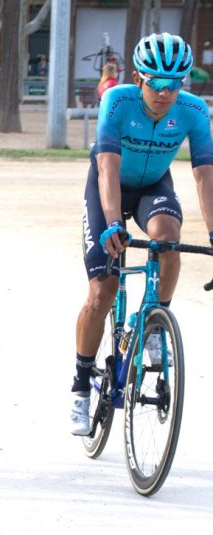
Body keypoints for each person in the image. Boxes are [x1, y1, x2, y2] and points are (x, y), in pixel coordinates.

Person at [70, 32, 213, 436]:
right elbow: (107, 168)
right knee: (103, 291)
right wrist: (113, 222)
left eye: (175, 84)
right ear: (139, 77)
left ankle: (154, 320)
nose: (166, 93)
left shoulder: (194, 110)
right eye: (157, 83)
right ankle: (81, 384)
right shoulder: (117, 100)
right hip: (107, 189)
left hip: (153, 187)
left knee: (168, 236)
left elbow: (205, 175)